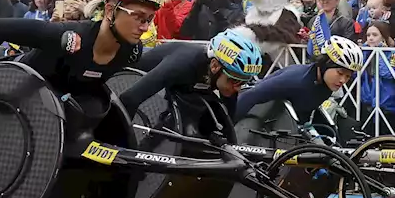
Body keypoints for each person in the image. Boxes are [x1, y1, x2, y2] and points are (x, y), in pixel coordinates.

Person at [0, 0, 161, 102]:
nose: (145, 27)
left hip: (59, 107)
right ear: (110, 11)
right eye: (139, 17)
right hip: (15, 89)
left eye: (149, 19)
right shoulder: (69, 36)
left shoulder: (132, 52)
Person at [120, 28, 264, 123]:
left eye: (243, 82)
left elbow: (228, 119)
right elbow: (129, 99)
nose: (238, 88)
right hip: (132, 74)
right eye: (235, 81)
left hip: (186, 84)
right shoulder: (182, 65)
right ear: (214, 66)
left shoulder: (227, 74)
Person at [235, 35, 363, 123]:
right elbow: (250, 95)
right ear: (325, 64)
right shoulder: (296, 80)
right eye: (340, 73)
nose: (343, 80)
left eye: (347, 76)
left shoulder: (325, 82)